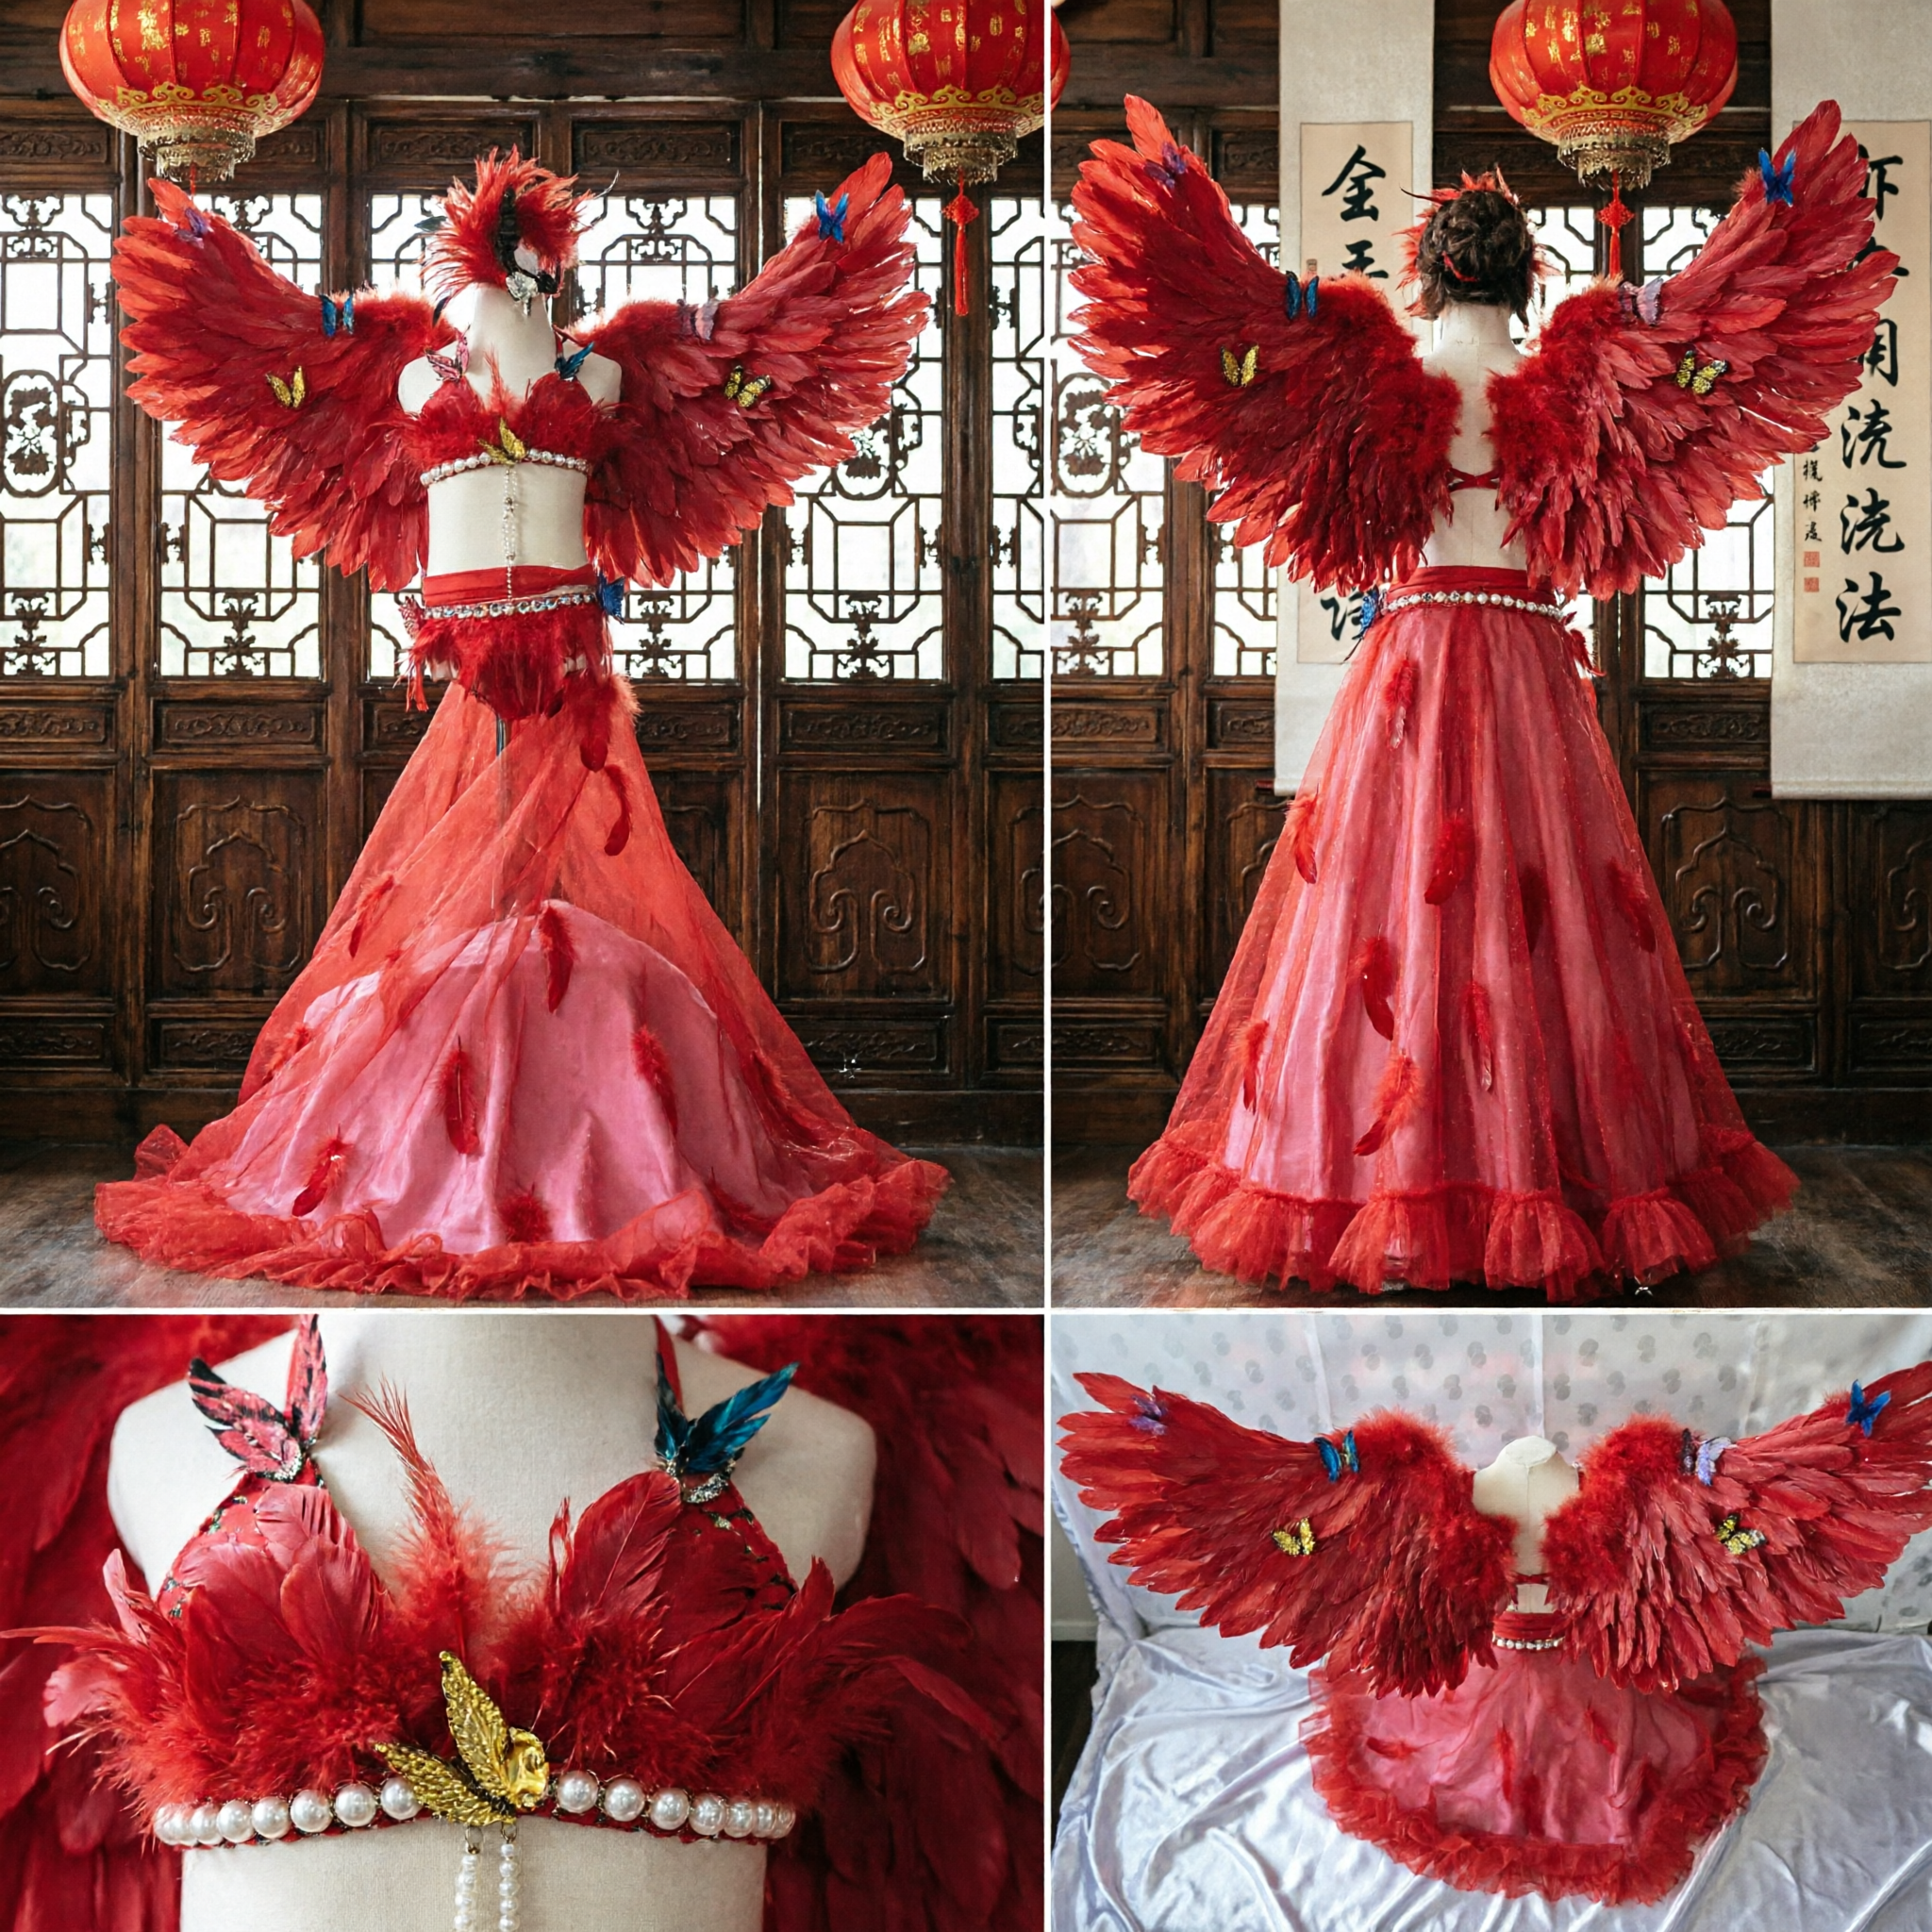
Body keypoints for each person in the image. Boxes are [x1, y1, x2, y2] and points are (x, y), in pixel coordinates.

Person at [1072, 98, 1893, 1296]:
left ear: (1425, 271)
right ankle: (1548, 1177)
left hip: (1406, 667)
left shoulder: (1368, 377)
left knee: (1383, 908)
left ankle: (1368, 1178)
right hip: (1519, 667)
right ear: (1523, 277)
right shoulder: (1573, 384)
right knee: (1538, 913)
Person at [94, 152, 948, 1299]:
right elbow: (271, 353)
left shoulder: (601, 367)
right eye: (524, 257)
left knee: (562, 848)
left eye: (548, 262)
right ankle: (456, 1094)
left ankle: (575, 1099)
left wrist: (826, 260)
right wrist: (213, 264)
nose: (537, 275)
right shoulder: (407, 363)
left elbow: (737, 361)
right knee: (466, 860)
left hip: (562, 625)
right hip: (459, 629)